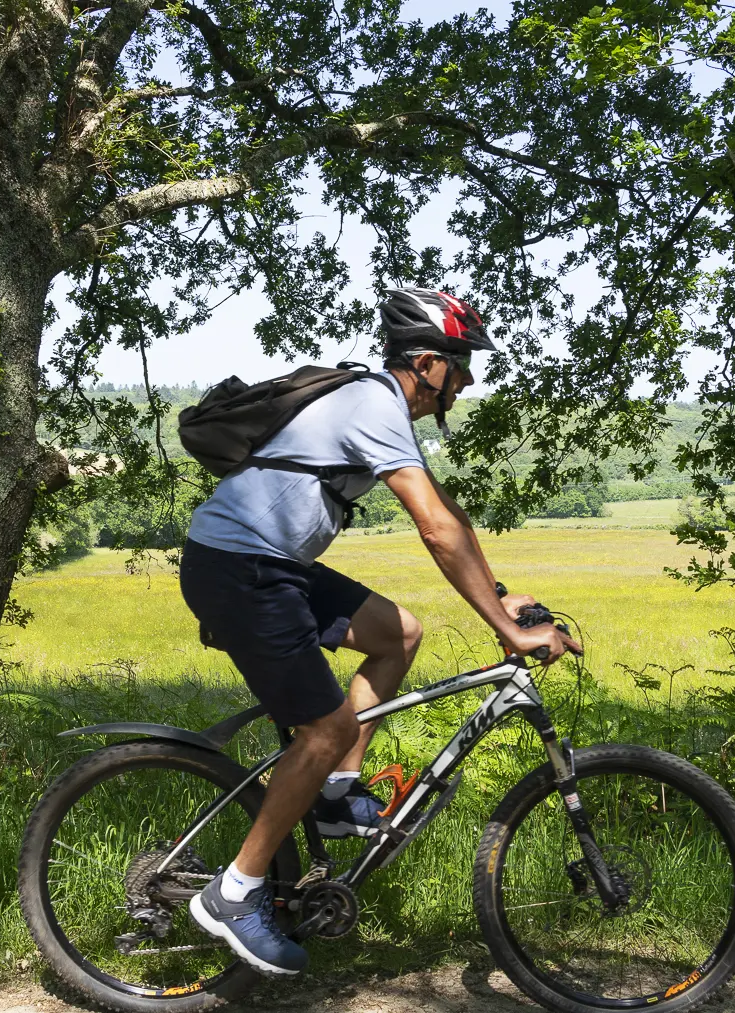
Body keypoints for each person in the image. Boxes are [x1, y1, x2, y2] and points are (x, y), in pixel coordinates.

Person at [179, 287, 582, 975]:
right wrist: (509, 632)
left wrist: (501, 599)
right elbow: (433, 527)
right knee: (325, 727)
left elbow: (451, 518)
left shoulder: (379, 406)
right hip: (240, 569)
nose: (466, 380)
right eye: (460, 364)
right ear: (426, 362)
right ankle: (235, 892)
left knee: (399, 634)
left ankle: (336, 795)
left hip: (270, 565)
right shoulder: (373, 404)